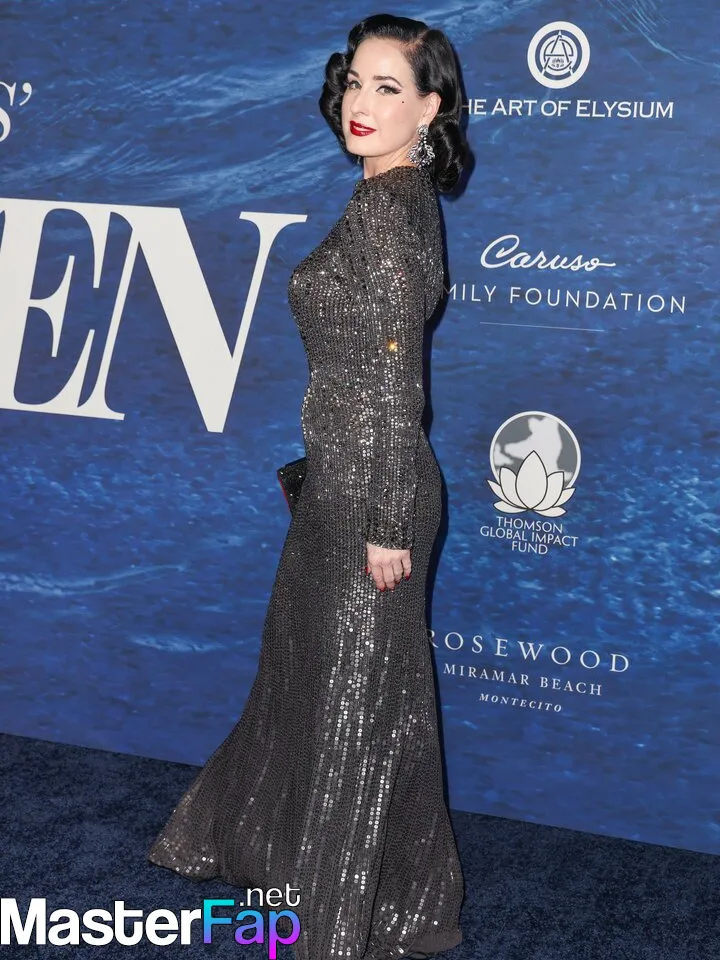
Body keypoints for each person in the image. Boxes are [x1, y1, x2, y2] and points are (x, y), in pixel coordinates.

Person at [148, 13, 469, 960]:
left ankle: (360, 913)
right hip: (341, 482)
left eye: (388, 88)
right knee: (321, 687)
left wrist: (387, 519)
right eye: (355, 82)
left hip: (375, 494)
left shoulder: (391, 210)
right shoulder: (387, 197)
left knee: (359, 709)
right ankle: (364, 889)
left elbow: (395, 383)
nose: (362, 103)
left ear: (430, 108)